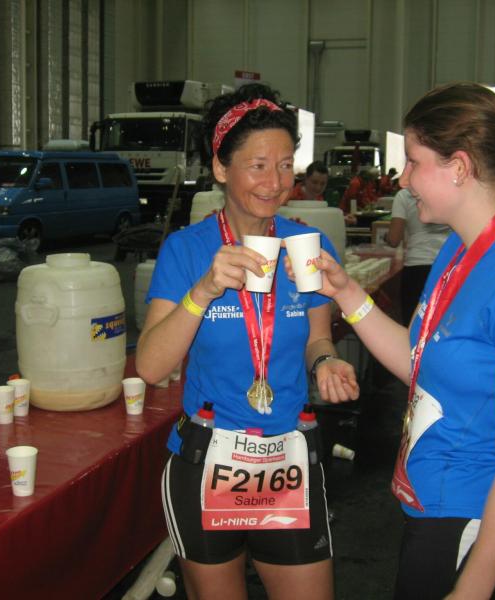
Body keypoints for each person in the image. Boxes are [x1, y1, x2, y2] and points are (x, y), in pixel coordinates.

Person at [288, 83, 495, 599]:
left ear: (459, 167)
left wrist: (472, 590)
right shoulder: (459, 252)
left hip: (473, 522)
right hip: (432, 508)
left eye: (414, 161)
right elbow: (419, 361)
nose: (403, 179)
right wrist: (346, 291)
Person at [136, 83, 358, 600]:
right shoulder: (187, 251)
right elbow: (150, 366)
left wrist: (326, 362)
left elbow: (317, 339)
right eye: (258, 165)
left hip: (288, 459)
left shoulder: (307, 246)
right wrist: (204, 290)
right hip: (208, 459)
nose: (275, 182)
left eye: (285, 165)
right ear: (221, 167)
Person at [384, 187, 450, 323]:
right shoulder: (449, 190)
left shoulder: (404, 195)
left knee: (414, 323)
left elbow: (394, 239)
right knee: (444, 322)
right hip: (449, 264)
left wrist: (386, 237)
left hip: (417, 266)